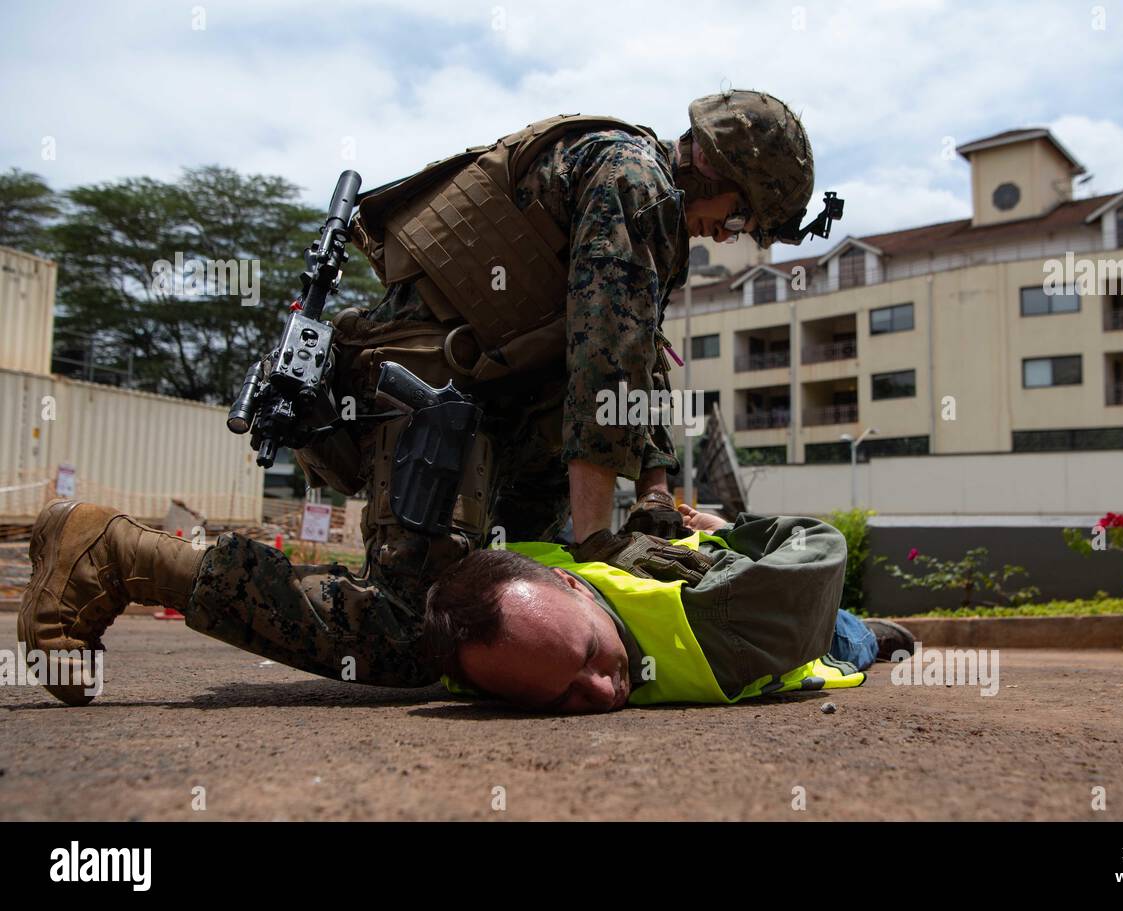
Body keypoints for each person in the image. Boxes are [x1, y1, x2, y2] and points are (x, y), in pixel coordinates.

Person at [19, 90, 833, 705]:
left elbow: (642, 367)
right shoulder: (633, 183)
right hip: (428, 386)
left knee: (526, 605)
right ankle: (116, 553)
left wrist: (654, 502)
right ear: (725, 179)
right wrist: (595, 538)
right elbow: (604, 362)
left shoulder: (646, 205)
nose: (731, 234)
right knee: (423, 629)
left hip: (495, 407)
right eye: (744, 218)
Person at [425, 504, 916, 713]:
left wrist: (728, 533)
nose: (600, 692)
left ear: (570, 582)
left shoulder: (720, 617)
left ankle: (872, 632)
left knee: (853, 638)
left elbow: (816, 543)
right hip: (751, 601)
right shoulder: (480, 649)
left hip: (810, 638)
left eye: (590, 654)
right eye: (560, 700)